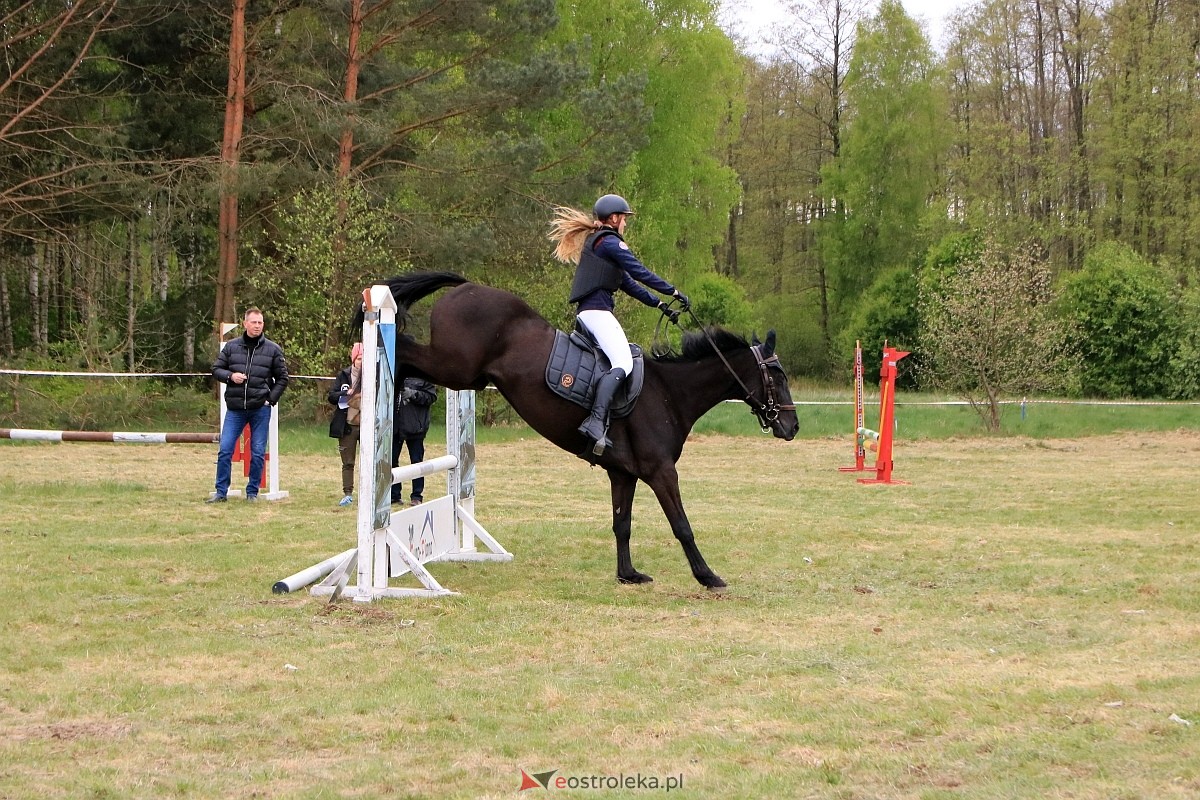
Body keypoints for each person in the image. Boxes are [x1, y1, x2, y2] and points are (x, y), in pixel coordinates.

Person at [548, 193, 689, 454]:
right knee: (623, 363)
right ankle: (596, 422)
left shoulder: (601, 245)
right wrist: (673, 291)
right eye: (624, 219)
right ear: (614, 218)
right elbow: (639, 271)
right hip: (597, 313)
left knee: (620, 360)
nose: (625, 224)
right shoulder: (609, 243)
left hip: (591, 313)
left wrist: (659, 304)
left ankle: (601, 418)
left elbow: (629, 284)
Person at [208, 307, 289, 502]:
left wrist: (271, 399)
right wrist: (230, 376)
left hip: (260, 408)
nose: (257, 326)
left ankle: (252, 492)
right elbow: (216, 369)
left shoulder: (273, 349)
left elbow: (283, 377)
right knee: (225, 449)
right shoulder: (231, 347)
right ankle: (221, 492)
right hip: (235, 409)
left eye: (260, 322)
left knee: (258, 451)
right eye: (253, 322)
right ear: (245, 324)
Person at [391, 375, 437, 506]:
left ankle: (416, 496)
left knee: (416, 462)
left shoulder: (423, 375)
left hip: (415, 427)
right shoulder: (395, 373)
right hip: (395, 426)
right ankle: (394, 495)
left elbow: (432, 397)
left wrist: (414, 394)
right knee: (392, 461)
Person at [328, 343, 364, 507]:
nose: (361, 362)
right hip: (347, 425)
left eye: (364, 358)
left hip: (366, 427)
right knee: (348, 462)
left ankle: (368, 493)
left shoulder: (375, 375)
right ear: (353, 359)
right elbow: (332, 396)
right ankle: (348, 493)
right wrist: (346, 394)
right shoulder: (343, 375)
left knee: (369, 462)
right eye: (359, 358)